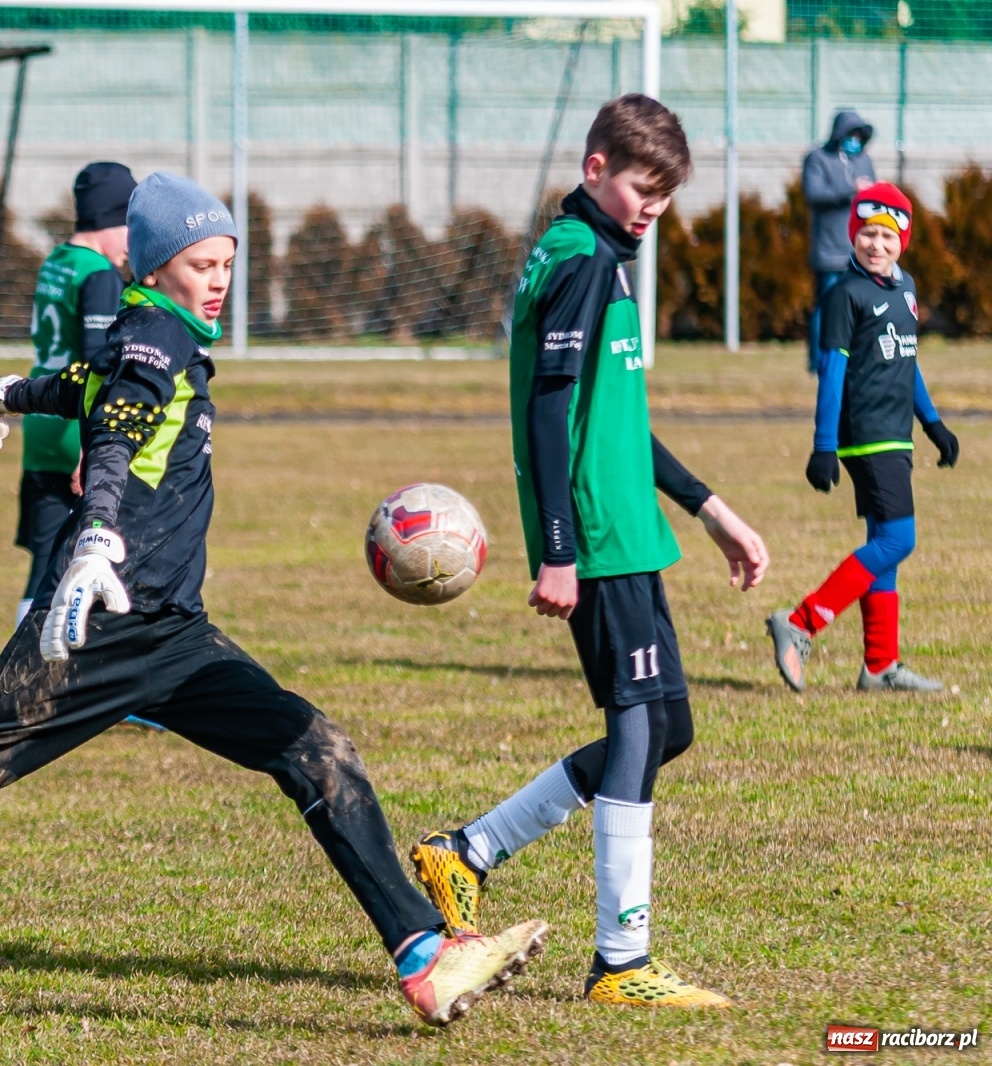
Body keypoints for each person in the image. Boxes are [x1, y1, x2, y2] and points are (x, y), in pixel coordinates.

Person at [0, 172, 549, 1029]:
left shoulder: (147, 334)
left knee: (314, 749)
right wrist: (93, 534)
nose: (220, 284)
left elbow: (87, 387)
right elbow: (119, 429)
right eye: (205, 266)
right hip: (99, 627)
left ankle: (424, 958)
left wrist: (11, 392)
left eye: (229, 267)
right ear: (156, 264)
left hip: (174, 635)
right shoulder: (154, 342)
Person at [408, 95, 769, 1009]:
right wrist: (559, 552)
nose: (654, 209)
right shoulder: (578, 263)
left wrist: (709, 508)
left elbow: (616, 421)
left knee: (664, 728)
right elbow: (547, 412)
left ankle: (469, 851)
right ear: (595, 167)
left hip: (628, 532)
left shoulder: (601, 254)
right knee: (642, 727)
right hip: (598, 541)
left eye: (666, 196)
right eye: (643, 189)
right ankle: (621, 963)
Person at [767, 184, 959, 694]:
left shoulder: (906, 289)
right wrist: (823, 445)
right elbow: (831, 374)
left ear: (903, 241)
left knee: (885, 546)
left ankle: (880, 666)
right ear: (853, 235)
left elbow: (906, 361)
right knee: (900, 539)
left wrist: (933, 423)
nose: (876, 244)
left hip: (898, 436)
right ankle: (803, 621)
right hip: (866, 437)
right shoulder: (845, 295)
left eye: (887, 235)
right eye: (867, 233)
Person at [15, 162, 135, 629]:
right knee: (89, 562)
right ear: (111, 219)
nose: (132, 243)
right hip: (74, 430)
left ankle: (18, 670)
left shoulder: (56, 262)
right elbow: (94, 366)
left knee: (44, 563)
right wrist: (93, 445)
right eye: (129, 227)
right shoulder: (99, 275)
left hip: (40, 426)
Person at [803, 110, 876, 374]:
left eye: (859, 136)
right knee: (826, 306)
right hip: (829, 250)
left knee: (858, 306)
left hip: (858, 251)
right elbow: (814, 194)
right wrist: (850, 190)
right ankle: (819, 360)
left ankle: (853, 356)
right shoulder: (817, 158)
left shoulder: (864, 160)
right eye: (850, 135)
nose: (854, 141)